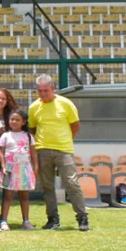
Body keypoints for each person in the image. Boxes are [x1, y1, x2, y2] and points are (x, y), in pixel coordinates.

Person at [29, 74, 88, 231]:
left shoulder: (66, 104)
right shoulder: (34, 107)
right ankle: (52, 219)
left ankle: (82, 217)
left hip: (64, 150)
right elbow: (33, 129)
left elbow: (75, 126)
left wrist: (66, 140)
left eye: (45, 90)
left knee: (72, 183)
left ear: (53, 89)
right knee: (48, 187)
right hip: (43, 150)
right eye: (39, 91)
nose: (42, 94)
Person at [0, 110, 38, 231]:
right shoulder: (5, 135)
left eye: (17, 120)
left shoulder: (28, 136)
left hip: (24, 168)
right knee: (7, 195)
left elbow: (33, 152)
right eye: (12, 119)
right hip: (9, 169)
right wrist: (3, 166)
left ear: (23, 122)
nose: (14, 122)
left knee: (24, 195)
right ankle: (3, 220)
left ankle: (26, 221)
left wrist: (36, 166)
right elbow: (1, 152)